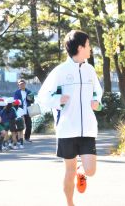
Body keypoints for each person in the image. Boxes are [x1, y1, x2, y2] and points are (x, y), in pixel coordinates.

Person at [38, 30, 102, 206]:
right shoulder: (60, 71)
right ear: (80, 47)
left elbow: (98, 92)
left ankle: (82, 174)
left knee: (90, 170)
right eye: (88, 45)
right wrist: (57, 100)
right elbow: (43, 96)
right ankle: (70, 203)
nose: (90, 49)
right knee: (69, 170)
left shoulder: (89, 70)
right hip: (66, 129)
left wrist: (97, 101)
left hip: (87, 128)